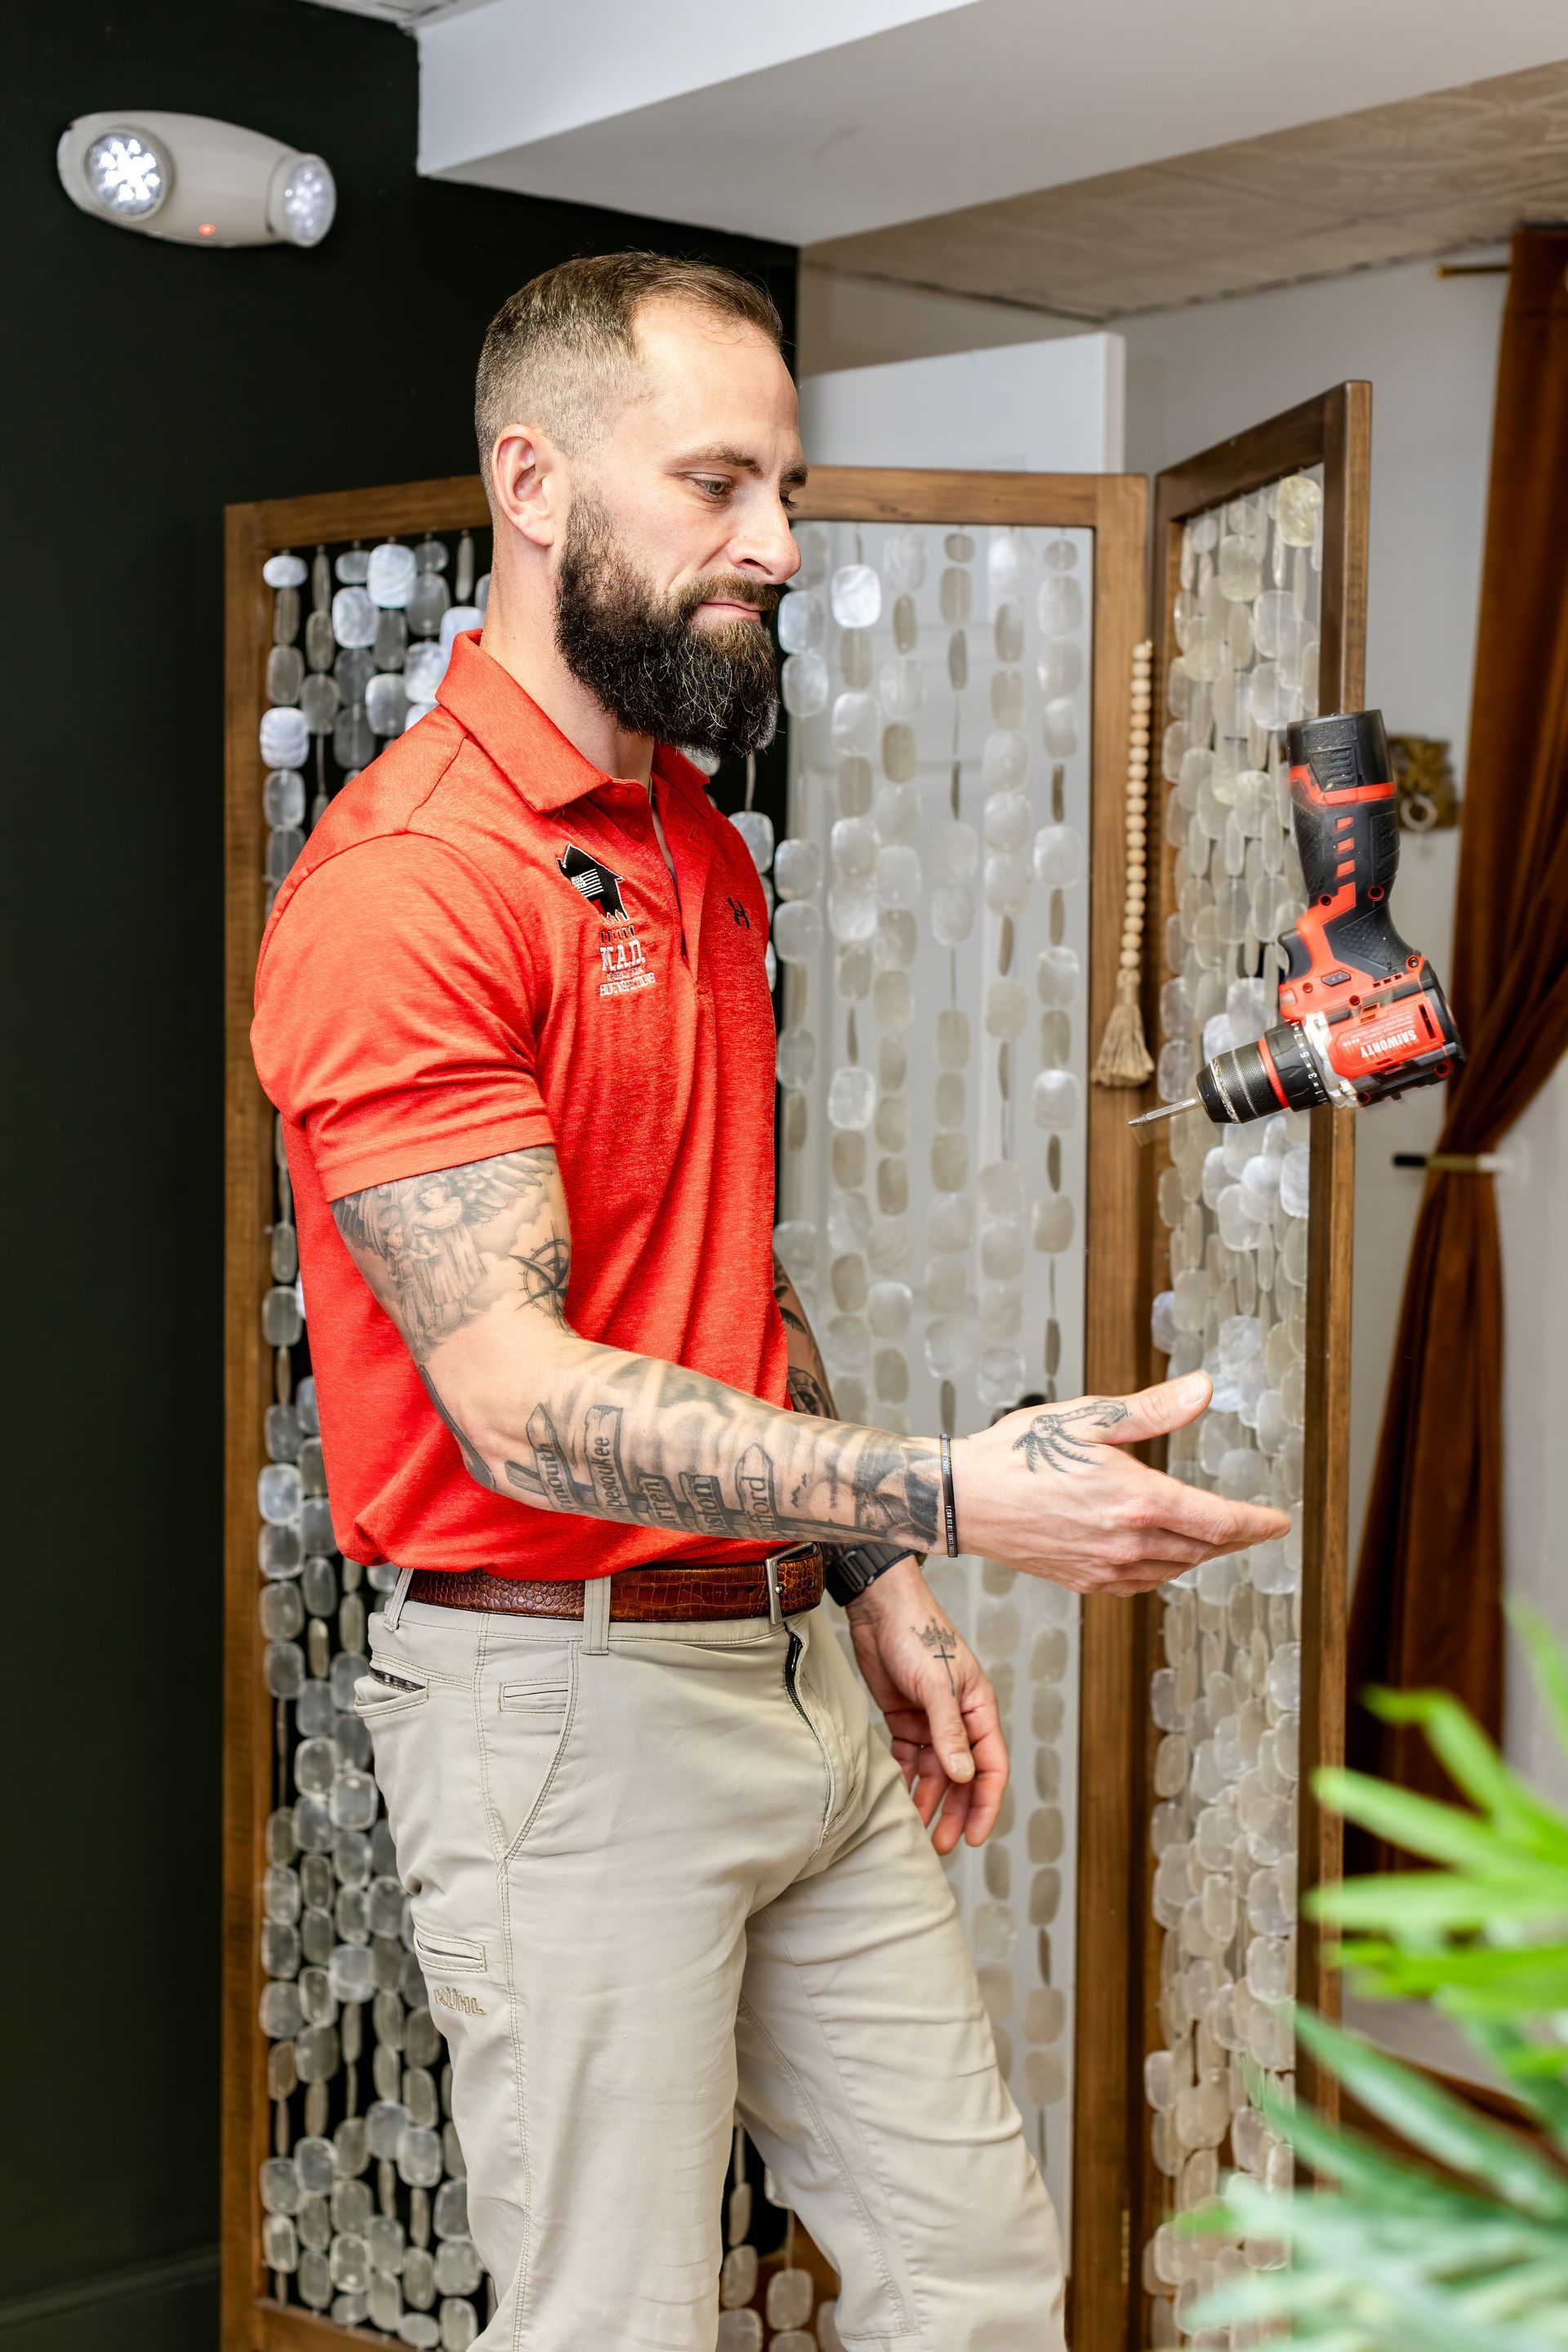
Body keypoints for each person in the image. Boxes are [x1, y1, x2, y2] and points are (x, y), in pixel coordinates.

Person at [252, 252, 1288, 2351]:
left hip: (792, 1671)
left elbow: (710, 1260)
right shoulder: (405, 889)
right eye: (719, 482)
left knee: (975, 2281)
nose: (778, 546)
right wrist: (951, 1494)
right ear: (534, 483)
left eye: (782, 488)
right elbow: (521, 1398)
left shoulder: (689, 831)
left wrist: (871, 1580)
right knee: (617, 2323)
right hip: (564, 1707)